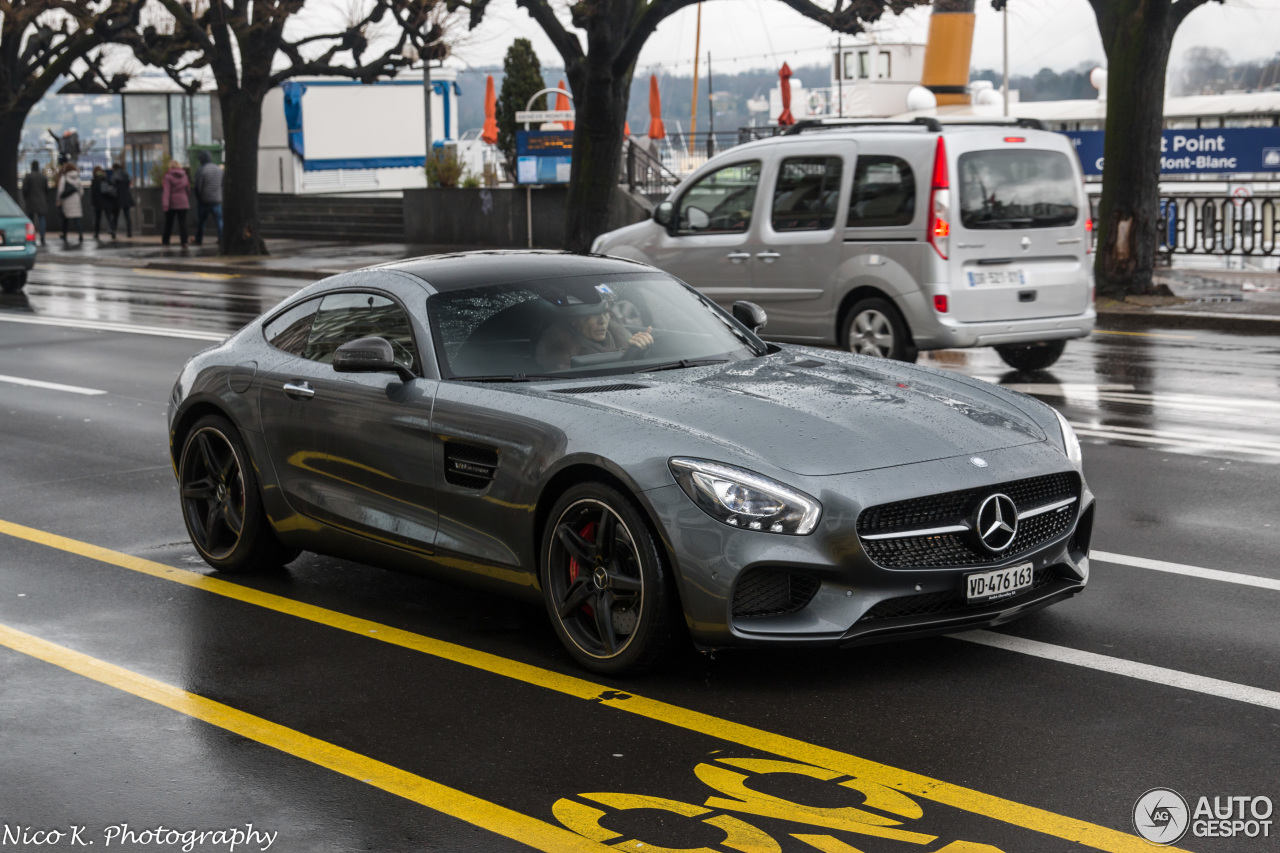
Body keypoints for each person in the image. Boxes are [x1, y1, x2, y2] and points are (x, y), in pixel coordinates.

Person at [535, 298, 653, 371]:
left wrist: (637, 349)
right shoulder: (560, 350)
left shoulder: (619, 339)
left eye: (605, 313)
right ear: (575, 321)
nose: (602, 321)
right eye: (594, 314)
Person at [192, 151, 223, 247]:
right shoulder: (219, 169)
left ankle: (199, 239)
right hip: (217, 199)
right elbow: (222, 184)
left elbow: (198, 186)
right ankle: (222, 238)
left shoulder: (202, 170)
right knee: (219, 221)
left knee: (202, 221)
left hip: (204, 200)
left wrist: (199, 198)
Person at [161, 159, 191, 247]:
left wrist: (165, 204)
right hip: (183, 202)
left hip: (172, 203)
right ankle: (184, 241)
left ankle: (166, 241)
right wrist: (185, 198)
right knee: (183, 223)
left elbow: (166, 191)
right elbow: (188, 189)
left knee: (169, 223)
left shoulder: (168, 176)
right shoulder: (184, 175)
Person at [20, 161, 48, 246]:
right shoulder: (43, 177)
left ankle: (31, 238)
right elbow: (46, 190)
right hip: (41, 201)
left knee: (31, 221)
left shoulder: (28, 177)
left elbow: (24, 189)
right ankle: (42, 237)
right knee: (42, 219)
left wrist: (26, 198)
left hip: (31, 201)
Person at [56, 162, 84, 244]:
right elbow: (81, 191)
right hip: (76, 200)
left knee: (65, 219)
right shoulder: (77, 177)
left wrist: (58, 200)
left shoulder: (64, 178)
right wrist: (78, 197)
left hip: (66, 201)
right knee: (77, 219)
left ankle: (64, 235)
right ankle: (80, 234)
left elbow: (60, 190)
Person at [90, 165, 117, 239]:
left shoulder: (94, 181)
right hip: (106, 201)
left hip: (98, 202)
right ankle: (113, 231)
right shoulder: (105, 179)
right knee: (109, 217)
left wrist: (93, 203)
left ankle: (96, 233)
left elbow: (93, 194)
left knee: (97, 219)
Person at [109, 162, 134, 238]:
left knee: (115, 215)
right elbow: (129, 183)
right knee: (127, 216)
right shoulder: (125, 174)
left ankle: (113, 231)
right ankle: (129, 232)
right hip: (126, 196)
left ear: (114, 168)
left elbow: (111, 184)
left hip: (118, 197)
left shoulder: (115, 175)